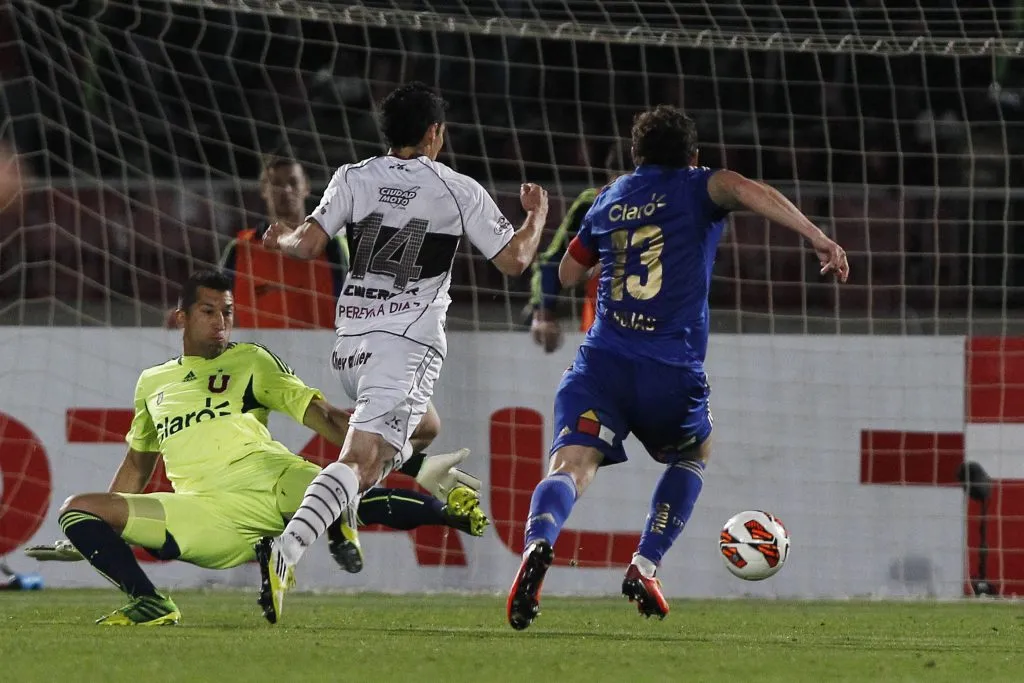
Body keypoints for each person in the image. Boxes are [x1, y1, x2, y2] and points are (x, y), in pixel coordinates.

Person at [506, 105, 849, 630]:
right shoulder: (701, 186)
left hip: (601, 366)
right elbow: (748, 190)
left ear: (635, 154)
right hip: (669, 370)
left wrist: (615, 243)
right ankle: (645, 565)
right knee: (694, 452)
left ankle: (537, 543)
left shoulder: (608, 197)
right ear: (694, 156)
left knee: (570, 467)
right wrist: (816, 236)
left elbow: (570, 274)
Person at [260, 82, 549, 620]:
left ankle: (375, 490)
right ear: (435, 133)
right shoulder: (456, 189)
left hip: (350, 348)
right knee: (358, 460)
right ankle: (287, 548)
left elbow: (307, 244)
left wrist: (278, 238)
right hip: (403, 347)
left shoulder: (353, 176)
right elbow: (514, 260)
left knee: (426, 427)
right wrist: (536, 216)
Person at [52, 271, 485, 626]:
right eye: (208, 311)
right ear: (181, 318)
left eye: (227, 312)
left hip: (271, 479)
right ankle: (151, 604)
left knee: (343, 492)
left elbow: (327, 418)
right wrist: (103, 530)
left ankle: (446, 513)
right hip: (207, 511)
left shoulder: (251, 361)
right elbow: (137, 462)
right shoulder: (152, 382)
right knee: (79, 510)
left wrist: (409, 458)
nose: (221, 322)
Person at [219, 154, 486, 573]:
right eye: (275, 183)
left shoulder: (332, 246)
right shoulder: (241, 248)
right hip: (260, 373)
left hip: (326, 362)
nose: (285, 191)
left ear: (307, 188)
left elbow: (358, 297)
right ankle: (414, 485)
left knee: (374, 446)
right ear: (262, 190)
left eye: (292, 182)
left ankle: (396, 493)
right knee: (359, 455)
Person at [527, 142, 629, 352]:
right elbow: (554, 259)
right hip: (604, 328)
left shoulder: (671, 206)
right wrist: (543, 314)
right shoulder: (592, 203)